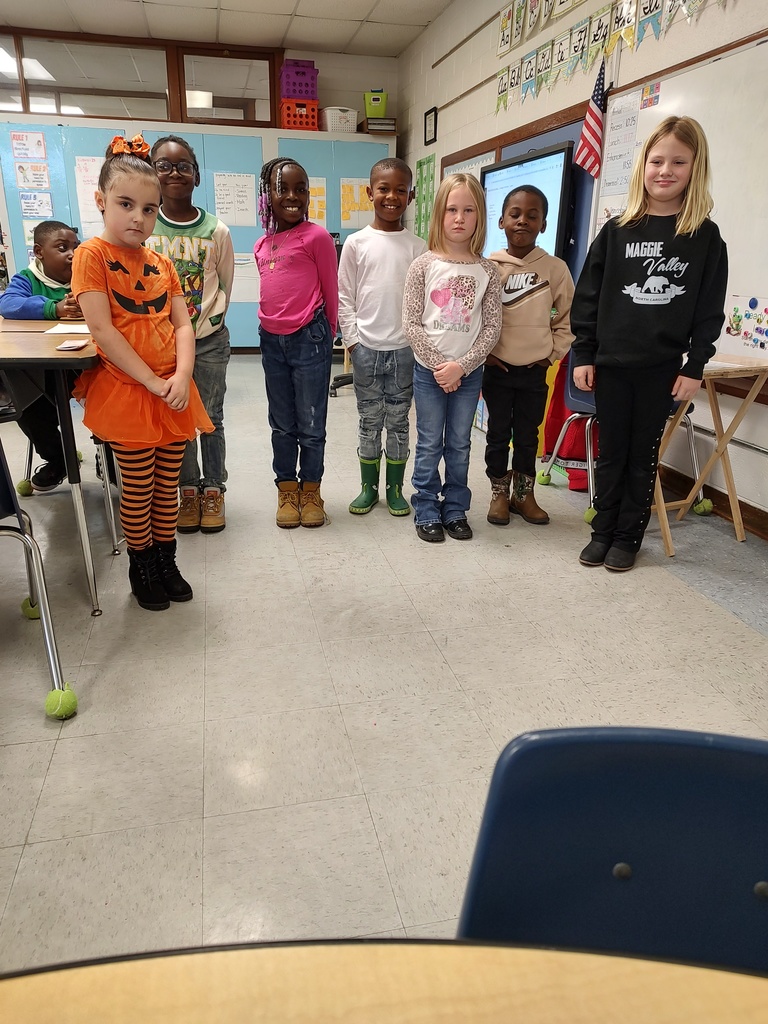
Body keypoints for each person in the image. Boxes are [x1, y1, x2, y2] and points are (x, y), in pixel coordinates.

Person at [571, 115, 727, 572]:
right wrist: (584, 351)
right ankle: (603, 531)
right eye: (656, 160)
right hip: (612, 365)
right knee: (611, 453)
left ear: (694, 169)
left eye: (678, 161)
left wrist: (695, 366)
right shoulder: (618, 230)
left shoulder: (704, 237)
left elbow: (707, 309)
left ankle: (627, 536)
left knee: (642, 457)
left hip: (662, 369)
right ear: (642, 166)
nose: (665, 170)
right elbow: (589, 296)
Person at [71, 134, 213, 611]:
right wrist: (152, 382)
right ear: (101, 201)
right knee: (138, 488)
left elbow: (182, 324)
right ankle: (142, 564)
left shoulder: (161, 261)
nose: (139, 217)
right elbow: (104, 332)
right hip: (131, 392)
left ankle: (166, 558)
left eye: (149, 209)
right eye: (126, 204)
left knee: (167, 485)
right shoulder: (92, 256)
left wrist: (181, 376)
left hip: (173, 389)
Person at [402, 172, 501, 543]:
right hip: (429, 372)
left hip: (469, 373)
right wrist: (440, 366)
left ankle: (455, 508)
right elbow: (411, 322)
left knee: (459, 442)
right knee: (430, 441)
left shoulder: (488, 271)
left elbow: (491, 328)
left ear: (479, 217)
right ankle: (426, 507)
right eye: (451, 209)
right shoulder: (423, 265)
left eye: (468, 210)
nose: (459, 218)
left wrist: (462, 366)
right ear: (439, 215)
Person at [146, 134, 234, 535]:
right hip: (161, 343)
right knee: (177, 417)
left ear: (196, 176)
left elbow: (226, 286)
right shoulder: (144, 227)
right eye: (163, 165)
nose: (174, 173)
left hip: (209, 341)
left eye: (183, 166)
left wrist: (209, 323)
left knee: (210, 417)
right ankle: (188, 491)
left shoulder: (217, 230)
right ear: (152, 173)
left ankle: (214, 488)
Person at [338, 157, 427, 517]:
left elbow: (423, 301)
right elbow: (346, 296)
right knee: (369, 419)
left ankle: (394, 489)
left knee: (399, 420)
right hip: (366, 349)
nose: (392, 196)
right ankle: (367, 488)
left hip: (405, 350)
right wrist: (353, 342)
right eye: (384, 189)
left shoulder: (418, 247)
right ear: (369, 192)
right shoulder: (356, 243)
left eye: (401, 190)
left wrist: (417, 343)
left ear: (411, 195)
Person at [255, 157, 338, 528]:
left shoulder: (317, 237)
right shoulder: (262, 244)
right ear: (267, 195)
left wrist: (330, 332)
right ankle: (286, 489)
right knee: (281, 422)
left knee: (311, 421)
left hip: (310, 338)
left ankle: (311, 490)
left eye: (300, 189)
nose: (292, 196)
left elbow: (331, 290)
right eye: (282, 188)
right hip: (271, 341)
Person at [484, 185, 574, 526]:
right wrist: (486, 354)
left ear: (543, 225)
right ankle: (499, 494)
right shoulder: (489, 266)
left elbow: (569, 317)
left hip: (534, 370)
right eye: (515, 214)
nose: (523, 221)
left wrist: (551, 354)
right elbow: (476, 316)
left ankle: (524, 494)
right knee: (497, 433)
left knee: (527, 434)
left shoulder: (555, 268)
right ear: (502, 221)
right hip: (498, 369)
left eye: (532, 216)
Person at [0, 220, 82, 492]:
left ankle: (108, 458)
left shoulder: (85, 275)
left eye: (75, 247)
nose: (72, 254)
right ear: (39, 252)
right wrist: (53, 308)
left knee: (110, 401)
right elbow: (8, 304)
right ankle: (58, 459)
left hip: (83, 366)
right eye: (62, 248)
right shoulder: (28, 278)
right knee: (29, 407)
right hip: (40, 369)